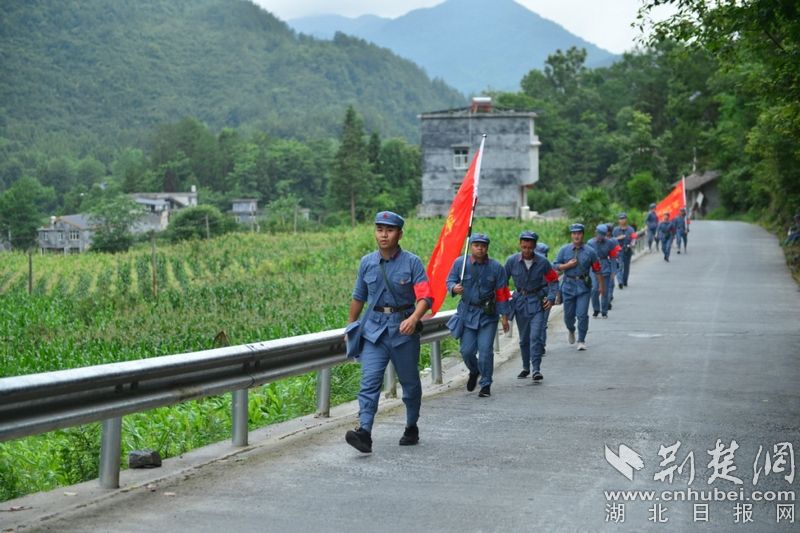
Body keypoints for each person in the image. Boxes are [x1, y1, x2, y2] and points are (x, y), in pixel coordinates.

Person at [345, 211, 432, 453]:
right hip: (374, 331)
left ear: (399, 233)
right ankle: (364, 432)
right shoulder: (367, 262)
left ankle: (411, 425)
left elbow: (425, 296)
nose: (384, 235)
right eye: (380, 229)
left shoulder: (412, 262)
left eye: (390, 230)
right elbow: (358, 297)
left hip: (403, 332)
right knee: (369, 382)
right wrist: (350, 325)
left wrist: (414, 318)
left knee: (410, 384)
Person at [446, 233, 511, 397]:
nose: (479, 248)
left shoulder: (496, 267)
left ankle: (486, 384)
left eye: (483, 245)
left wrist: (504, 317)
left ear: (487, 247)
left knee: (485, 351)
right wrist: (454, 288)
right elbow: (450, 280)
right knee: (466, 351)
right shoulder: (460, 263)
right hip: (467, 314)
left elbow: (502, 293)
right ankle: (474, 371)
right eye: (476, 245)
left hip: (487, 315)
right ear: (471, 246)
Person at [505, 231, 558, 382]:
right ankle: (525, 367)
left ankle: (536, 369)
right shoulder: (512, 261)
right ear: (520, 245)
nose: (527, 250)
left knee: (536, 336)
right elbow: (501, 281)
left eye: (530, 247)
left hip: (537, 302)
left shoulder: (542, 262)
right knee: (523, 339)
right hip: (520, 303)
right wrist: (503, 302)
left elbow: (553, 281)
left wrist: (551, 297)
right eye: (524, 247)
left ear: (534, 246)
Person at [553, 223, 604, 351]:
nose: (577, 236)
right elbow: (555, 266)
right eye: (574, 233)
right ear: (571, 235)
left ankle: (581, 340)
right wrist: (567, 266)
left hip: (583, 287)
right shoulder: (564, 250)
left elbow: (597, 269)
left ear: (583, 234)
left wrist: (601, 287)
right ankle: (571, 329)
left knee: (582, 314)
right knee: (568, 317)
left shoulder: (590, 251)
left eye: (579, 233)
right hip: (568, 286)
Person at [586, 224, 621, 319]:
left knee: (604, 291)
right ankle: (596, 309)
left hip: (605, 267)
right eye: (599, 234)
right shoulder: (590, 243)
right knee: (594, 289)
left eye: (603, 234)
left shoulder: (610, 243)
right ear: (596, 233)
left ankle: (604, 311)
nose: (600, 236)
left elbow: (613, 257)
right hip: (593, 268)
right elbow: (587, 257)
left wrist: (614, 271)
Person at [612, 213, 637, 289]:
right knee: (619, 266)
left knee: (626, 267)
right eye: (620, 219)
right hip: (618, 251)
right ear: (618, 220)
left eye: (624, 218)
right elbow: (611, 240)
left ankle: (624, 281)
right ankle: (620, 282)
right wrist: (617, 238)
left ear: (626, 219)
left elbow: (634, 238)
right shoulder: (615, 230)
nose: (622, 220)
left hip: (627, 250)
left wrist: (632, 243)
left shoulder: (630, 229)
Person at [535, 242, 552, 354]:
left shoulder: (548, 267)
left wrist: (552, 297)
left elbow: (554, 283)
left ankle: (540, 345)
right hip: (530, 297)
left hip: (545, 294)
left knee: (542, 322)